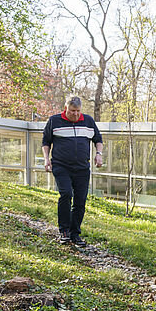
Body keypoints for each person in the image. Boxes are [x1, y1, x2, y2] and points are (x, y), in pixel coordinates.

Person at [42, 96, 103, 247]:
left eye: (78, 111)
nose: (75, 114)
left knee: (80, 200)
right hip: (61, 166)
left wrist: (98, 154)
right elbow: (46, 141)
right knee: (66, 193)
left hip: (82, 168)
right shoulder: (54, 121)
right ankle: (64, 231)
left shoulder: (88, 121)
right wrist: (46, 159)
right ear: (66, 108)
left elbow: (98, 139)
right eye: (72, 111)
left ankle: (75, 233)